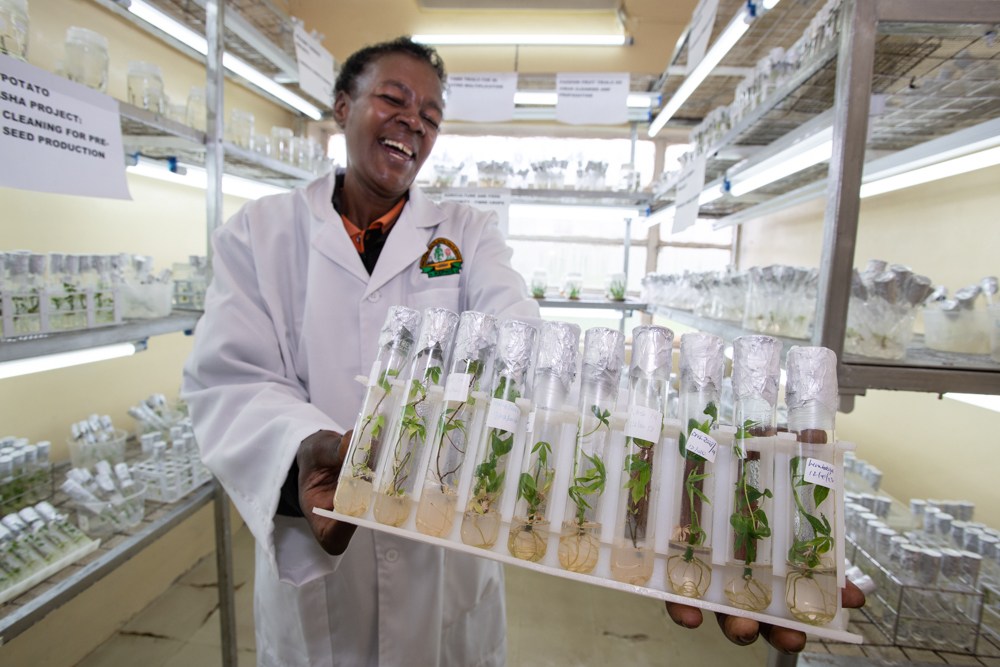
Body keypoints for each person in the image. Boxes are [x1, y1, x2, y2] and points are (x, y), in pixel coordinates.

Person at [182, 36, 862, 667]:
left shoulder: (466, 233)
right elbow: (229, 380)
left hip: (448, 553)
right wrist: (304, 450)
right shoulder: (260, 233)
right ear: (343, 107)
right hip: (319, 572)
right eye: (394, 99)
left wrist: (661, 449)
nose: (413, 121)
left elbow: (523, 342)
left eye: (431, 114)